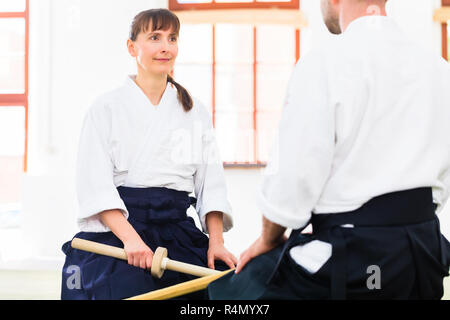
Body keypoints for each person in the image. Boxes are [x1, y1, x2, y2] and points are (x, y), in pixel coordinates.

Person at [207, 0, 450, 300]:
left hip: (358, 263)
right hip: (423, 255)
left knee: (231, 294)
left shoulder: (325, 61)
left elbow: (292, 180)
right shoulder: (439, 68)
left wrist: (267, 240)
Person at [60, 8, 237, 300]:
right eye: (155, 37)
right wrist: (131, 241)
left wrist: (215, 242)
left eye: (172, 38)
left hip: (178, 230)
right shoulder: (105, 109)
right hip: (120, 231)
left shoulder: (194, 112)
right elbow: (95, 185)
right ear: (132, 47)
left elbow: (211, 183)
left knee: (217, 294)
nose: (166, 46)